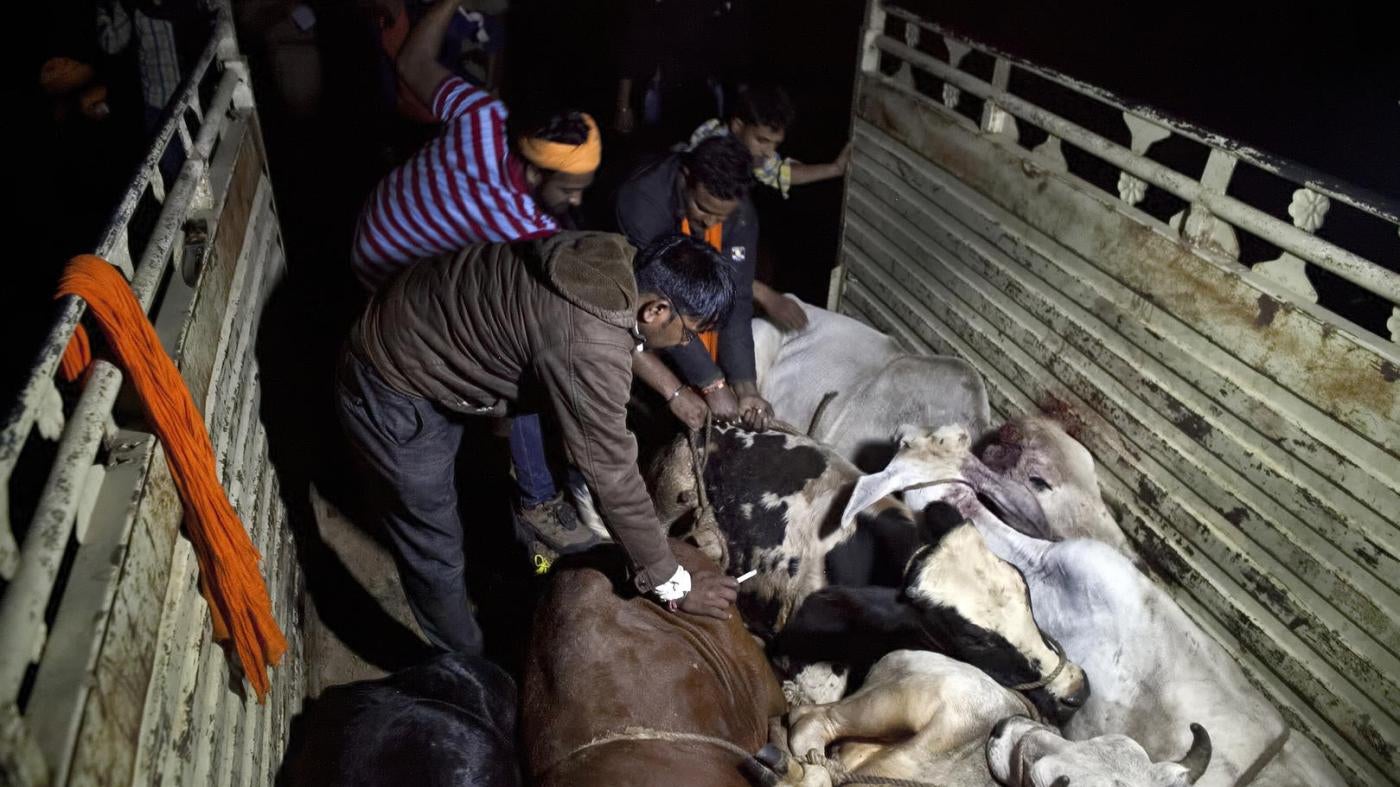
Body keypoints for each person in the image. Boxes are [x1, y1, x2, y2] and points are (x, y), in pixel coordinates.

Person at [336, 232, 742, 654]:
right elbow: (612, 475)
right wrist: (671, 581)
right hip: (393, 382)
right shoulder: (590, 344)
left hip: (424, 317)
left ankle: (503, 585)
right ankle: (469, 662)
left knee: (484, 488)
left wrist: (672, 391)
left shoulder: (612, 257)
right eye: (688, 334)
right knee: (432, 542)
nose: (684, 344)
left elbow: (602, 332)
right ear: (657, 309)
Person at [351, 0, 603, 548]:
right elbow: (409, 63)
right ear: (536, 169)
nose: (579, 200)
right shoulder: (529, 229)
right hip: (389, 277)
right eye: (571, 188)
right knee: (520, 364)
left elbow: (412, 62)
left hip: (372, 227)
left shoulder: (485, 116)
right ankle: (534, 498)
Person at [616, 135, 778, 431]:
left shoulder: (738, 212)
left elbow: (738, 299)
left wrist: (746, 388)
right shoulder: (643, 204)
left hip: (674, 313)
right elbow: (663, 307)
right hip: (636, 300)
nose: (712, 224)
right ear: (686, 177)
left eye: (722, 215)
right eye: (703, 209)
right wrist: (711, 384)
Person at [686, 81, 851, 201]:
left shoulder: (753, 152)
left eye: (776, 144)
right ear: (737, 126)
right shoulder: (709, 143)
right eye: (762, 140)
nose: (769, 151)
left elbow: (782, 172)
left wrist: (835, 168)